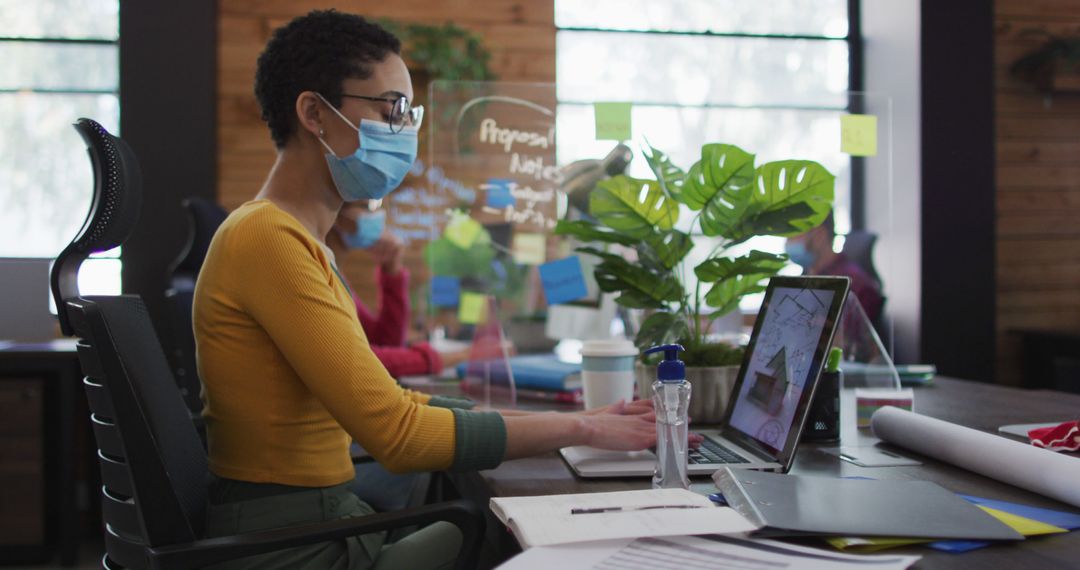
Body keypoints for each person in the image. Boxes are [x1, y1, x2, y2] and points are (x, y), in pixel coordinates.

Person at [193, 10, 668, 569]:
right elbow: (398, 435)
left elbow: (397, 403)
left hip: (317, 520)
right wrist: (584, 427)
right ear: (314, 113)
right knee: (522, 536)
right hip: (294, 547)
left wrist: (585, 422)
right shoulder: (268, 239)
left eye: (409, 113)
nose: (405, 130)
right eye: (391, 109)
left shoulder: (293, 239)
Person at [325, 199, 470, 378]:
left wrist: (392, 272)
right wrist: (456, 356)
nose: (376, 217)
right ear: (336, 211)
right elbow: (355, 360)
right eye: (367, 207)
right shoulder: (318, 271)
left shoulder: (335, 272)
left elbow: (386, 342)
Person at [784, 215, 884, 322]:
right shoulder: (806, 280)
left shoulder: (855, 285)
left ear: (819, 235)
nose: (788, 243)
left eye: (793, 235)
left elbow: (849, 336)